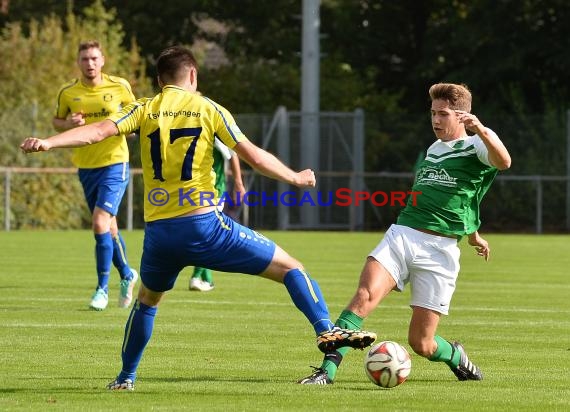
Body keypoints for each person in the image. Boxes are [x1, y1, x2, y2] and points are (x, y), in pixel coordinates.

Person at [21, 45, 377, 391]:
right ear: (192, 74)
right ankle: (324, 328)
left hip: (159, 234)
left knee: (147, 300)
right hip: (205, 226)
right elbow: (252, 156)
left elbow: (98, 133)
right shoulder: (208, 108)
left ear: (160, 81)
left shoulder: (143, 108)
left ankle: (125, 377)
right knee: (291, 268)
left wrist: (50, 142)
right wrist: (296, 178)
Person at [298, 82, 512, 385]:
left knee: (422, 343)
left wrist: (482, 130)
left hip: (440, 251)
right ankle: (326, 372)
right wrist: (474, 232)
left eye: (444, 114)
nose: (436, 120)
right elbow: (455, 197)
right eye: (433, 113)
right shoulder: (434, 149)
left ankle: (455, 355)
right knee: (363, 296)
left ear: (463, 116)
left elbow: (504, 162)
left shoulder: (477, 145)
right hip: (403, 234)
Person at [52, 40, 138, 311]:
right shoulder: (68, 92)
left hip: (115, 162)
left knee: (100, 222)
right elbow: (57, 120)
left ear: (103, 60)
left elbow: (137, 117)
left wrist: (128, 128)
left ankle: (102, 288)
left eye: (94, 58)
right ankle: (127, 273)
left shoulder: (119, 86)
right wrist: (67, 124)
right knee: (108, 227)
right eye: (84, 59)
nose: (89, 63)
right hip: (86, 166)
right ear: (78, 62)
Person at [189, 137, 245, 292]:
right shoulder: (214, 127)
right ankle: (197, 277)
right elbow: (233, 155)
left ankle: (206, 279)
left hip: (194, 190)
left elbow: (231, 154)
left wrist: (238, 183)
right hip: (212, 191)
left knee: (202, 234)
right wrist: (239, 183)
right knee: (205, 235)